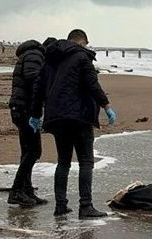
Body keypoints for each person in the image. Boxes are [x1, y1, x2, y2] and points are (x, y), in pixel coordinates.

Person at [31, 29, 116, 218]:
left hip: (56, 118)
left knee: (63, 162)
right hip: (79, 116)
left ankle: (60, 206)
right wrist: (106, 106)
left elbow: (38, 88)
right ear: (82, 41)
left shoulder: (49, 59)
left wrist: (36, 114)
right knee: (86, 161)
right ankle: (86, 206)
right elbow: (92, 85)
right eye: (86, 44)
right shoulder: (81, 57)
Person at [7, 37, 53, 207]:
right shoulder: (35, 55)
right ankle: (16, 191)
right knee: (34, 152)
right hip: (25, 109)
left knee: (27, 151)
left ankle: (26, 191)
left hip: (20, 108)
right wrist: (38, 110)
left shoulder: (28, 54)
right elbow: (33, 78)